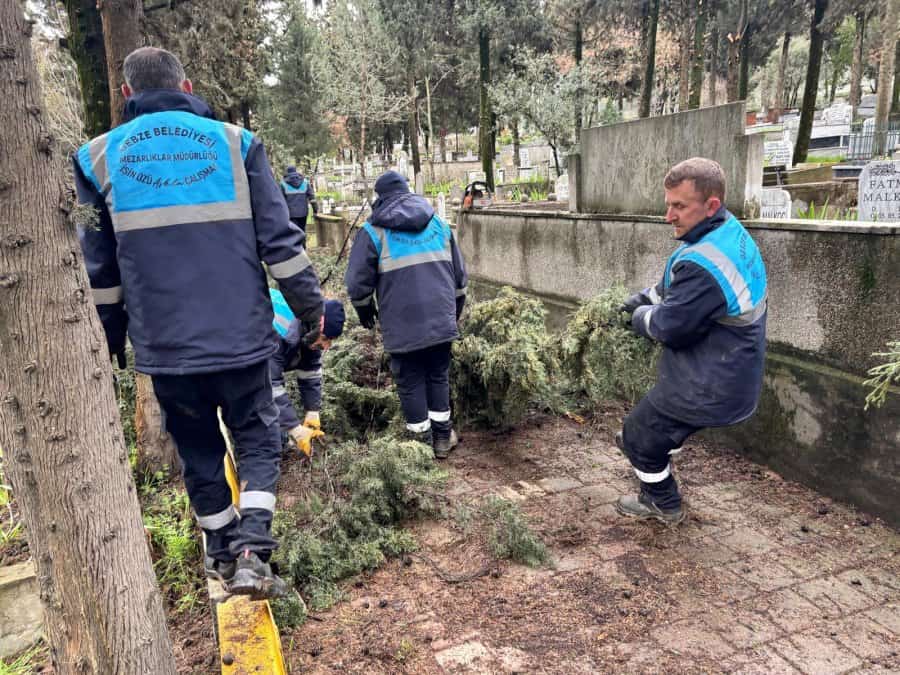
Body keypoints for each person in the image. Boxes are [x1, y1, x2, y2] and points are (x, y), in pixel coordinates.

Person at [72, 47, 324, 599]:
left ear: (126, 94)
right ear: (186, 87)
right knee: (257, 439)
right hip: (241, 340)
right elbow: (281, 246)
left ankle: (222, 554)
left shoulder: (96, 158)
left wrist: (111, 342)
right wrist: (312, 311)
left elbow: (101, 271)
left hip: (166, 348)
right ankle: (254, 552)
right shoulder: (237, 144)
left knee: (199, 450)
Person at [616, 157, 768, 525]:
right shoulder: (721, 233)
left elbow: (668, 327)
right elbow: (676, 287)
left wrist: (636, 317)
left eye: (679, 206)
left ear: (711, 205)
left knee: (638, 437)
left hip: (709, 384)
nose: (668, 215)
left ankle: (662, 502)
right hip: (725, 369)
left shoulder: (706, 265)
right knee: (653, 433)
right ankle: (662, 448)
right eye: (668, 204)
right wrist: (638, 300)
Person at [345, 170, 468, 459]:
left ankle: (420, 447)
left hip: (402, 324)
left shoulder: (372, 232)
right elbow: (460, 279)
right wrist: (453, 313)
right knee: (437, 374)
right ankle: (442, 438)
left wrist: (364, 309)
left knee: (410, 380)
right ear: (408, 191)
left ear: (379, 198)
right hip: (440, 318)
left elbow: (357, 283)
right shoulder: (439, 225)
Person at [268, 288, 345, 456]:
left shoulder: (310, 329)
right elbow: (269, 385)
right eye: (325, 339)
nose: (326, 346)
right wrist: (294, 428)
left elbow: (310, 371)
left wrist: (312, 410)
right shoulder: (278, 331)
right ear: (315, 327)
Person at [280, 165, 317, 230]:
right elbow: (312, 198)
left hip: (291, 214)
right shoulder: (305, 182)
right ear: (296, 171)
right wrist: (315, 210)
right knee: (302, 230)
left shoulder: (283, 184)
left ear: (287, 172)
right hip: (303, 213)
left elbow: (281, 201)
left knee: (293, 232)